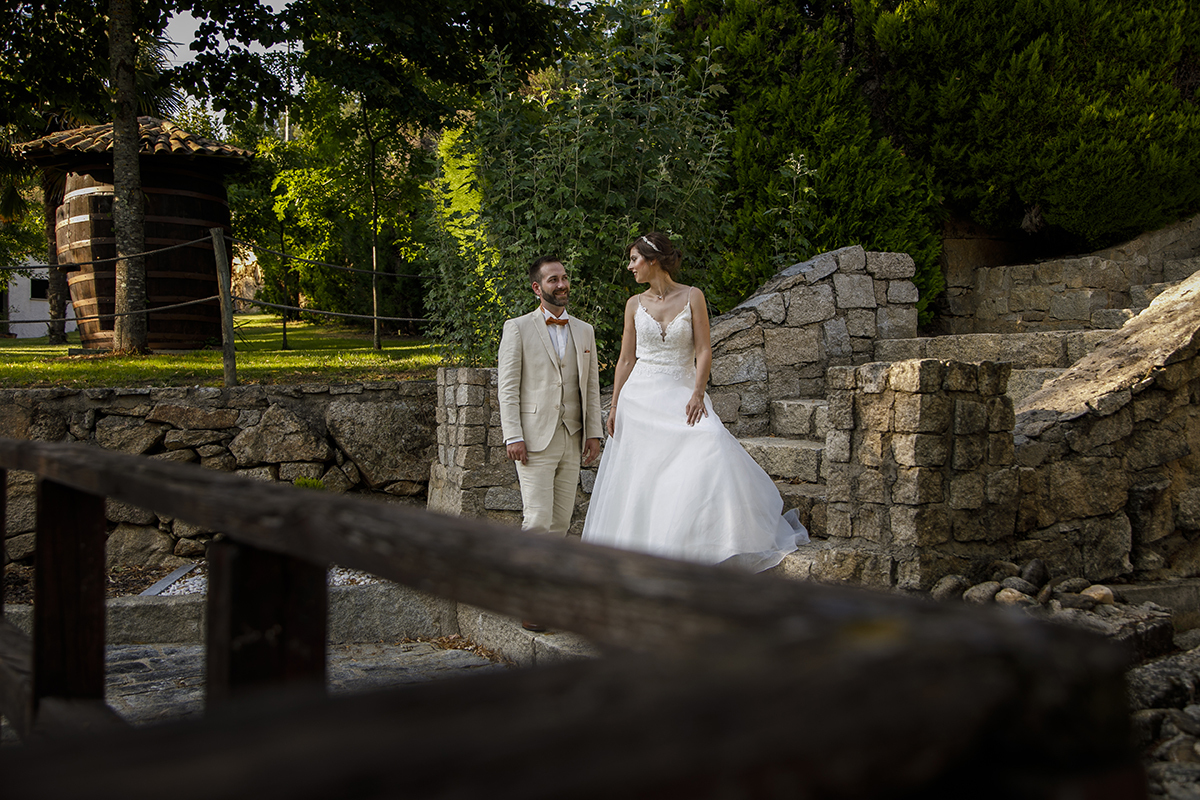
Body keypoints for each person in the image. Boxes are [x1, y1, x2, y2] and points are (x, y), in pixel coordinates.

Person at [582, 232, 807, 571]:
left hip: (682, 393)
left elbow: (703, 349)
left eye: (634, 259)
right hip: (638, 400)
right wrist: (613, 406)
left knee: (711, 441)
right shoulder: (633, 304)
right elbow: (626, 359)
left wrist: (698, 392)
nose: (630, 267)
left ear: (653, 260)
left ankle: (710, 543)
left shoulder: (692, 296)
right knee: (642, 477)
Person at [498, 255, 603, 536]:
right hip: (535, 439)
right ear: (537, 287)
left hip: (572, 436)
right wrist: (513, 435)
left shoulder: (585, 330)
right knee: (537, 520)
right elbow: (507, 387)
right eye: (553, 280)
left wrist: (593, 432)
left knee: (561, 523)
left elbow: (591, 386)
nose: (561, 284)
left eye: (564, 278)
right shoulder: (517, 328)